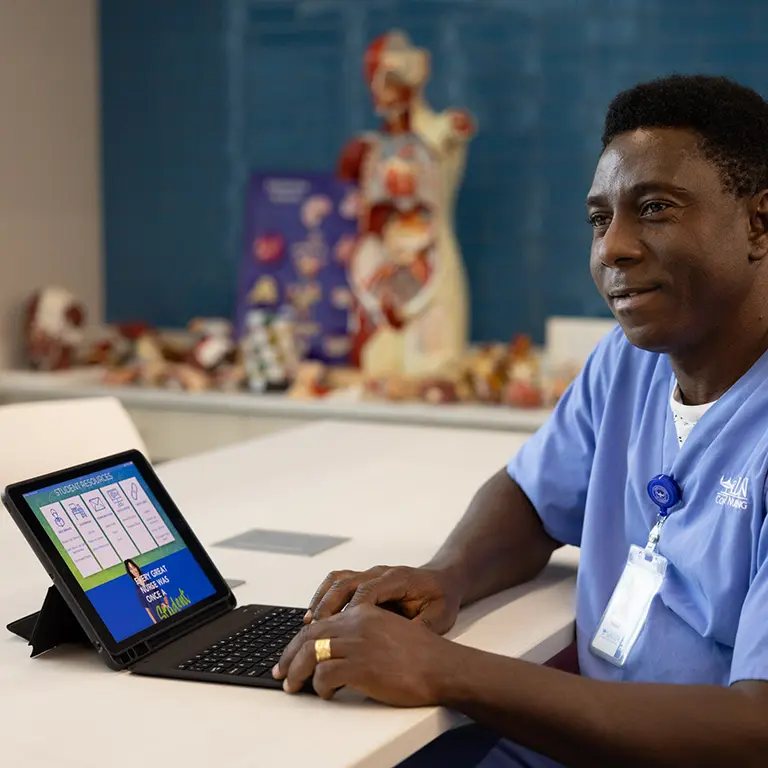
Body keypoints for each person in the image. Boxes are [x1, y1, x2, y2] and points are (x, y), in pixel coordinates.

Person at [273, 73, 768, 767]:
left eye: (654, 208)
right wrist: (446, 576)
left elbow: (755, 731)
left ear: (758, 223)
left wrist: (446, 669)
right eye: (599, 219)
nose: (613, 248)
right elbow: (533, 501)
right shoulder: (627, 363)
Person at [124, 558, 170, 625]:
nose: (134, 570)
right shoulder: (137, 588)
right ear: (130, 572)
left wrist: (166, 604)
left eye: (133, 567)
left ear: (136, 567)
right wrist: (155, 623)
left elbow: (163, 594)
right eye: (131, 569)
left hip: (164, 612)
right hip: (157, 617)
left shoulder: (149, 581)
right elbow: (147, 609)